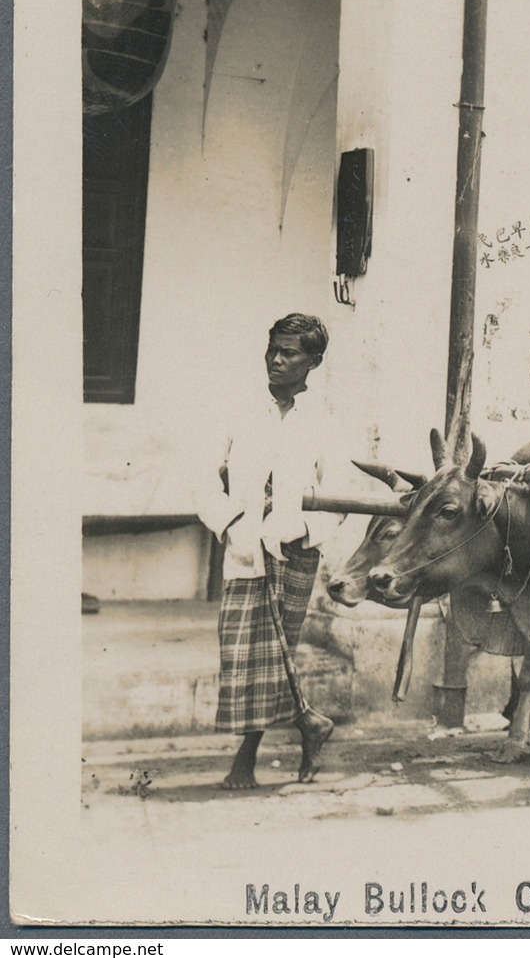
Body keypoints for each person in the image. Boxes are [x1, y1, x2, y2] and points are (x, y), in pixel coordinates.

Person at [195, 314, 342, 789]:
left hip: (295, 551)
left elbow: (339, 494)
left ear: (313, 362)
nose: (277, 360)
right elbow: (202, 482)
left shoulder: (324, 421)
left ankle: (247, 757)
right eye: (273, 350)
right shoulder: (237, 410)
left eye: (290, 353)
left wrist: (299, 525)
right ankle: (309, 723)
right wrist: (232, 523)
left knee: (280, 652)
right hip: (244, 548)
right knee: (244, 653)